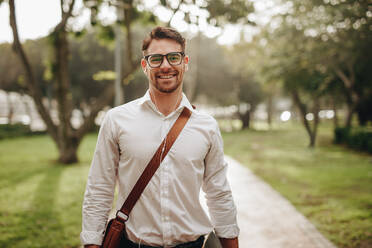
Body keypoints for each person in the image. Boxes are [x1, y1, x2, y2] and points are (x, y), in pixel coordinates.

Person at [81, 26, 239, 248]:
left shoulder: (207, 126)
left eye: (174, 57)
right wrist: (91, 243)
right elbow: (99, 190)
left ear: (185, 62)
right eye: (156, 59)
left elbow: (219, 194)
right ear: (145, 66)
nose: (166, 66)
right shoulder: (116, 120)